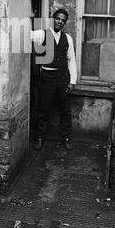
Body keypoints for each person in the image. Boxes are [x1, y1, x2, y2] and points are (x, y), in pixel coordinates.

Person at [31, 8, 77, 151]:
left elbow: (71, 60)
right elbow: (26, 34)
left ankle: (67, 137)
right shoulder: (42, 35)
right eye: (58, 19)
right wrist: (30, 18)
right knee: (43, 109)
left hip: (62, 77)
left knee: (65, 109)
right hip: (47, 77)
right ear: (53, 19)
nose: (60, 22)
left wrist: (72, 81)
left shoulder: (68, 38)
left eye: (63, 20)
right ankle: (39, 137)